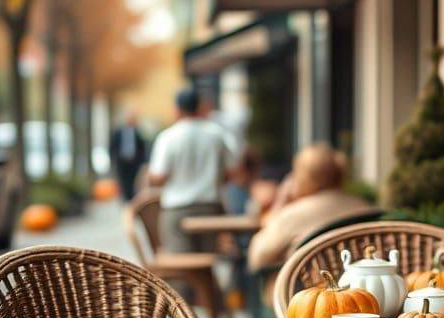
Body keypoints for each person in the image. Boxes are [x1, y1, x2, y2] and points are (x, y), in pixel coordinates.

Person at [246, 142, 375, 271]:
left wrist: (279, 204)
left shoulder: (292, 215)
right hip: (360, 289)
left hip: (302, 290)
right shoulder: (366, 209)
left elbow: (257, 258)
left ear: (301, 177)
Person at [147, 87, 238, 252]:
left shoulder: (168, 137)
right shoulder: (216, 135)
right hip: (211, 209)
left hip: (177, 211)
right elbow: (231, 172)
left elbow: (159, 177)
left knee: (182, 265)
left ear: (177, 109)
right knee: (209, 260)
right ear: (200, 107)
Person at [109, 110, 147, 201]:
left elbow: (142, 148)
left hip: (134, 163)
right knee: (124, 182)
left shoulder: (138, 133)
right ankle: (125, 198)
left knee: (133, 182)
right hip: (122, 162)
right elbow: (112, 147)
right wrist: (112, 161)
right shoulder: (118, 132)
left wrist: (142, 162)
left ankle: (131, 198)